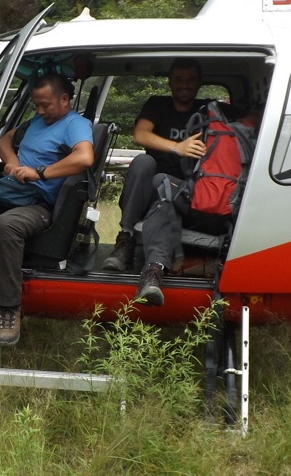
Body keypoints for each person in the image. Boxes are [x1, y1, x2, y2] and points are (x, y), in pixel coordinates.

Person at [101, 58, 247, 305]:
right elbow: (140, 135)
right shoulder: (157, 104)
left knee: (164, 191)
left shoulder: (210, 109)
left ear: (199, 82)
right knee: (144, 164)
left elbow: (253, 118)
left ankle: (153, 274)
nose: (184, 85)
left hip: (192, 195)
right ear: (169, 82)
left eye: (190, 80)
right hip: (151, 192)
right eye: (178, 79)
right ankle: (125, 238)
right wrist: (177, 147)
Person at [0, 73, 94, 347]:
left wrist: (41, 173)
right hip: (8, 191)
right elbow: (4, 140)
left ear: (64, 99)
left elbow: (84, 157)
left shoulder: (75, 124)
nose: (39, 110)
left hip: (40, 204)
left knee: (6, 226)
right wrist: (11, 161)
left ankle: (9, 309)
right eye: (36, 104)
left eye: (45, 104)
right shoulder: (37, 120)